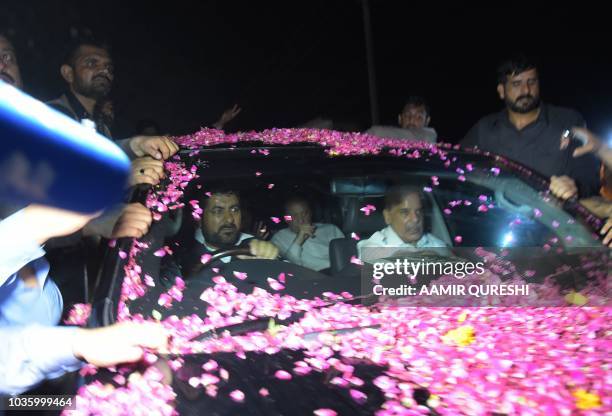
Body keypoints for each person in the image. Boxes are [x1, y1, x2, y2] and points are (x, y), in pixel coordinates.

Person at [0, 205, 170, 395]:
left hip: (62, 298)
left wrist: (96, 226)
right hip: (27, 393)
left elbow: (38, 228)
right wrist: (78, 344)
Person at [461, 54, 599, 198]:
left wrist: (574, 188)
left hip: (552, 218)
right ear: (501, 91)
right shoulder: (484, 128)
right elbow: (456, 164)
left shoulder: (568, 121)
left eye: (531, 82)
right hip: (496, 217)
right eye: (516, 84)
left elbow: (590, 178)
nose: (526, 90)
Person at [180, 188, 279, 276]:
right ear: (199, 219)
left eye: (234, 209)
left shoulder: (252, 244)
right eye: (218, 211)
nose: (229, 219)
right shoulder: (187, 258)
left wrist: (269, 255)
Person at [357, 185, 447, 260]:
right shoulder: (373, 245)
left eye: (418, 211)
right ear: (388, 216)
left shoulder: (436, 243)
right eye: (405, 212)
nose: (415, 219)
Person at [271, 196, 344, 271]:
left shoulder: (330, 229)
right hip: (312, 277)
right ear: (287, 219)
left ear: (310, 213)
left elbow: (347, 254)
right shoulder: (279, 238)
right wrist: (299, 240)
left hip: (341, 270)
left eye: (304, 213)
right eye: (294, 216)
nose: (301, 220)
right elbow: (291, 265)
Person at [365, 96, 438, 143]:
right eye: (407, 115)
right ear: (400, 119)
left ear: (427, 121)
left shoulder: (429, 137)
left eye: (419, 117)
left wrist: (374, 131)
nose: (411, 119)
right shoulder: (389, 146)